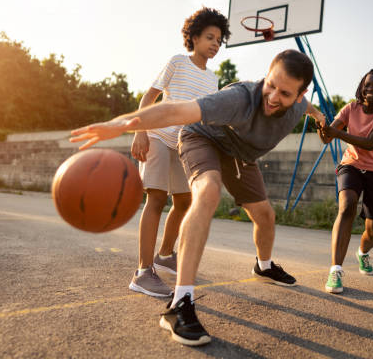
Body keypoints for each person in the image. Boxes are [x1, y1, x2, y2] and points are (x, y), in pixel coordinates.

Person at [70, 49, 325, 346]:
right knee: (208, 190)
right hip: (202, 138)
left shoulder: (299, 105)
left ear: (299, 94)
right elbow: (174, 111)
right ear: (265, 77)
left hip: (241, 155)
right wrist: (123, 124)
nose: (272, 96)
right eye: (270, 84)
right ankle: (180, 304)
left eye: (284, 93)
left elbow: (310, 108)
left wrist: (321, 118)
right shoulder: (241, 98)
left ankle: (264, 267)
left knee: (266, 216)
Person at [128, 7, 231, 298]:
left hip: (186, 143)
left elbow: (205, 117)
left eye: (219, 40)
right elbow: (149, 97)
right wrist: (140, 131)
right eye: (210, 37)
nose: (214, 44)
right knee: (157, 197)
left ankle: (164, 254)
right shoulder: (177, 62)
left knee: (184, 201)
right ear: (194, 37)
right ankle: (143, 272)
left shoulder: (212, 80)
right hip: (159, 136)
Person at [318, 68, 373, 294]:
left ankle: (363, 252)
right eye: (367, 84)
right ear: (362, 86)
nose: (370, 88)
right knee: (347, 206)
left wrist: (334, 133)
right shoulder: (350, 108)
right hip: (351, 165)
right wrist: (322, 128)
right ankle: (335, 270)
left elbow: (370, 143)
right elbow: (326, 138)